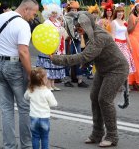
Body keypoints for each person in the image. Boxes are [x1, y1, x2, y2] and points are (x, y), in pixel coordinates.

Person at [50, 11, 129, 147]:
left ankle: (112, 136)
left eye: (79, 26)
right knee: (94, 97)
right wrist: (86, 62)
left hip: (117, 69)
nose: (76, 29)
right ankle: (97, 134)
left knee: (104, 99)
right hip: (103, 69)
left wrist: (57, 59)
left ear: (87, 24)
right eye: (75, 27)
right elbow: (92, 54)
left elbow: (83, 56)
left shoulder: (99, 36)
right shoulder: (89, 33)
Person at [0, 0, 39, 149]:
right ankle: (26, 146)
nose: (33, 17)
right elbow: (23, 51)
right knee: (24, 107)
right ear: (26, 9)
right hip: (14, 66)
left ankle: (9, 146)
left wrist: (1, 42)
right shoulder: (23, 25)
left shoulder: (0, 17)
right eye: (33, 13)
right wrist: (30, 74)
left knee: (6, 108)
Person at [24, 67, 58, 149]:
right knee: (45, 137)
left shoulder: (30, 90)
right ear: (43, 80)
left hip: (33, 117)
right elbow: (54, 104)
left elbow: (25, 97)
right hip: (44, 118)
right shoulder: (47, 92)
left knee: (35, 137)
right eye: (46, 77)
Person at [36, 4, 65, 91]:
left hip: (57, 46)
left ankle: (52, 84)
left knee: (54, 66)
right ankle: (47, 85)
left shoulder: (57, 22)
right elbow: (45, 34)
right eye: (53, 13)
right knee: (48, 66)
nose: (54, 14)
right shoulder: (47, 22)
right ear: (49, 13)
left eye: (56, 13)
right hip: (48, 46)